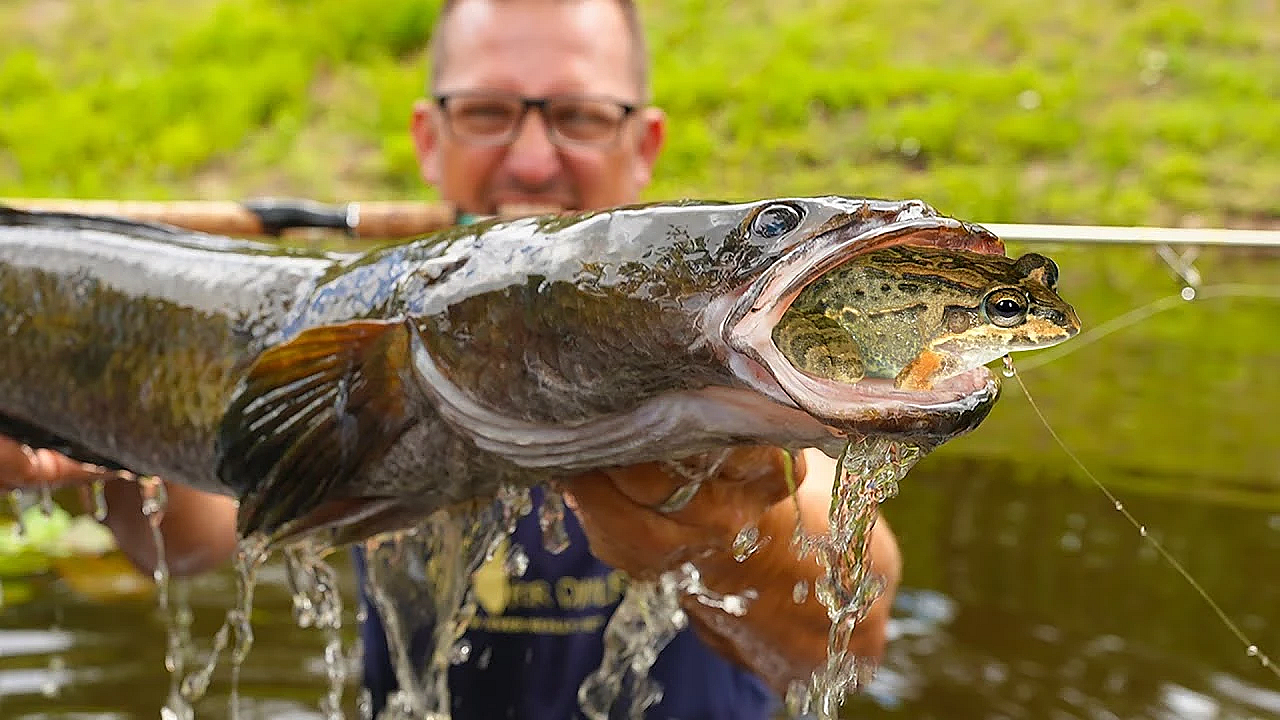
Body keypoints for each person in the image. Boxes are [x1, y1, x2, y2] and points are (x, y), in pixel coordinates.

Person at [0, 0, 902, 717]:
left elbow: (850, 639)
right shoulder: (388, 321)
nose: (534, 156)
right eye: (488, 113)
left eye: (583, 115)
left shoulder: (722, 355)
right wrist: (97, 426)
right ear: (430, 139)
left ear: (645, 147)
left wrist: (725, 543)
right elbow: (194, 544)